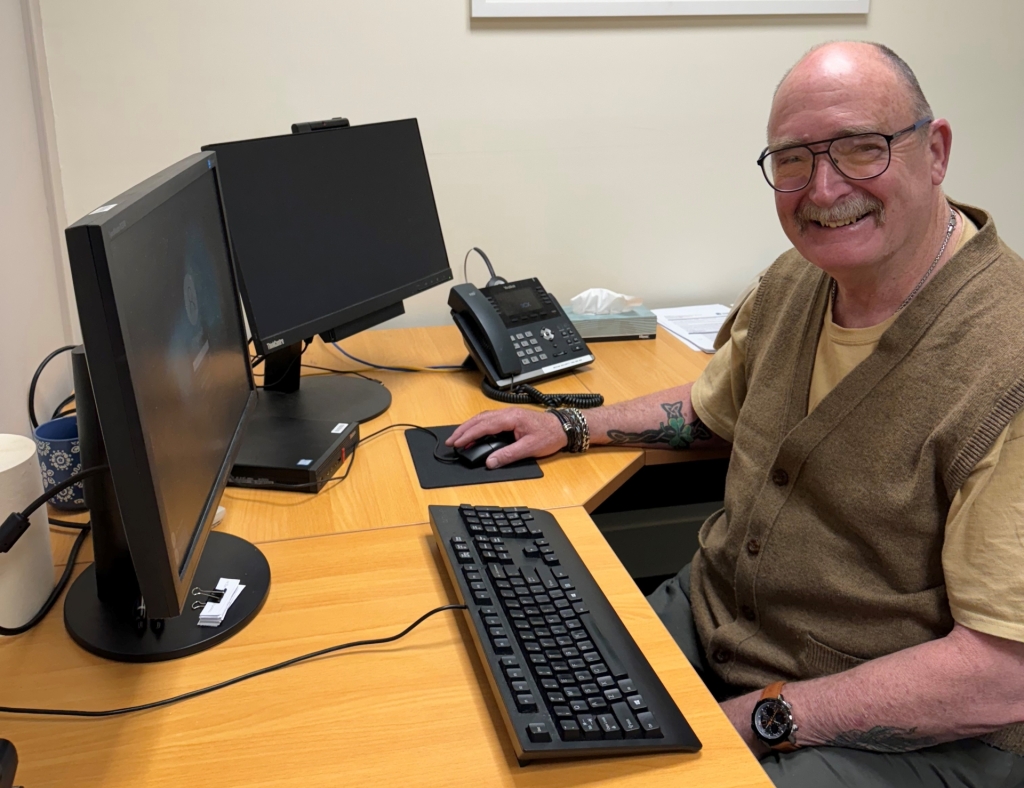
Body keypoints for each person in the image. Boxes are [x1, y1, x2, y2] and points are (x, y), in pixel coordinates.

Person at [448, 41, 1024, 787]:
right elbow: (712, 403)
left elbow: (999, 673)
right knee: (498, 700)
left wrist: (761, 718)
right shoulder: (800, 278)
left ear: (935, 151)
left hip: (901, 727)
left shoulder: (1006, 362)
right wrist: (574, 425)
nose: (822, 188)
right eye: (793, 159)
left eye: (860, 149)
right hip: (722, 623)